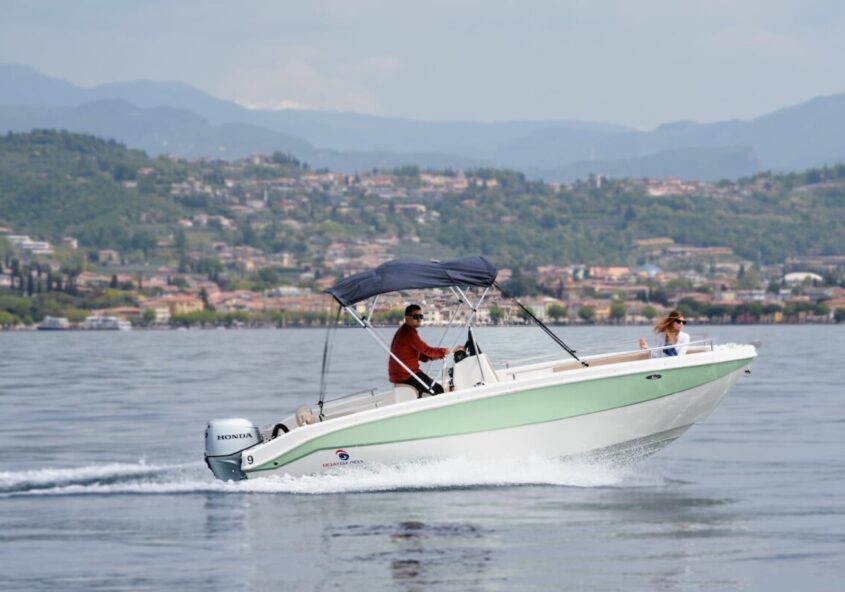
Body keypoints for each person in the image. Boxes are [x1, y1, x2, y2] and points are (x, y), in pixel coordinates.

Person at [389, 304, 463, 396]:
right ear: (407, 317)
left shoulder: (404, 331)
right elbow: (427, 350)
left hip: (402, 375)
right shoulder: (408, 333)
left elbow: (422, 355)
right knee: (438, 389)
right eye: (416, 317)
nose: (419, 319)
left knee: (425, 388)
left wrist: (438, 356)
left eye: (421, 316)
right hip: (406, 375)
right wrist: (450, 350)